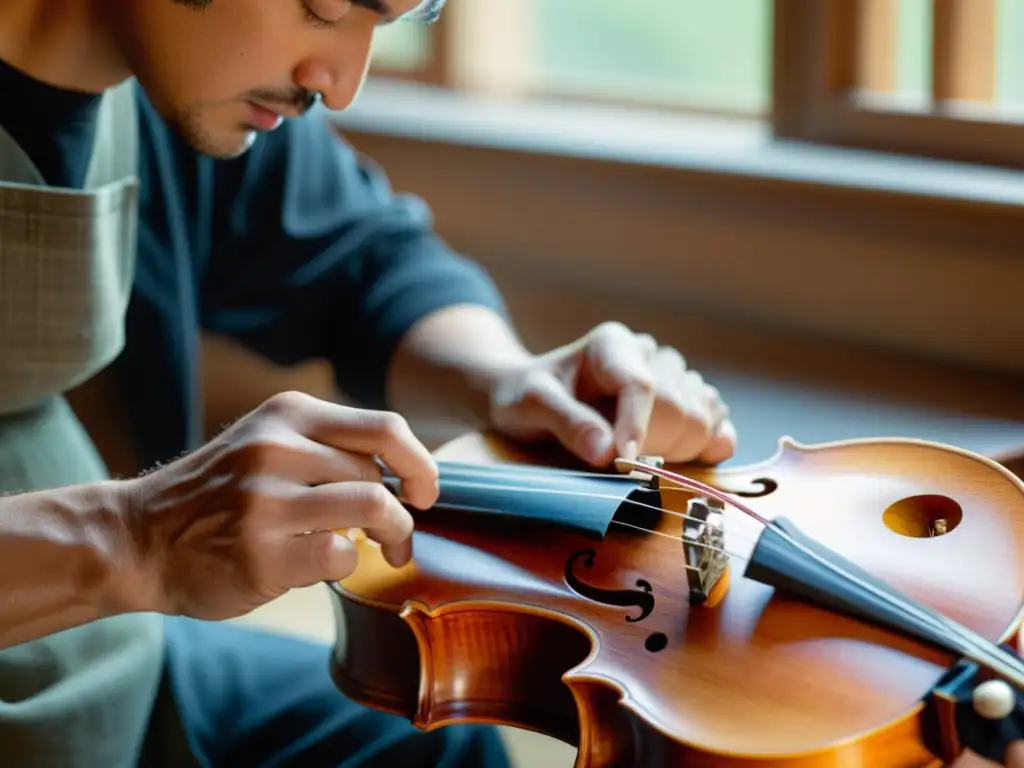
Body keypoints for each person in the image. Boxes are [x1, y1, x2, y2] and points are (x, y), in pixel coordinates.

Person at [0, 2, 1016, 768]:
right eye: (323, 2)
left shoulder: (161, 73)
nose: (341, 79)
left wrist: (515, 379)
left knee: (438, 741)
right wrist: (129, 537)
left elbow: (358, 259)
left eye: (400, 12)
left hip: (99, 667)